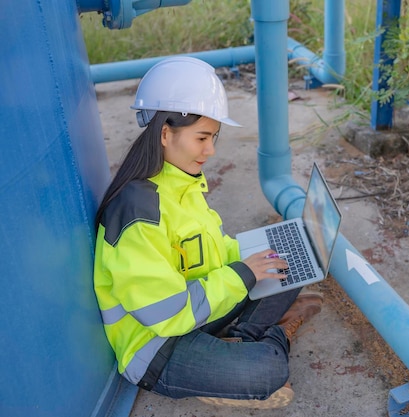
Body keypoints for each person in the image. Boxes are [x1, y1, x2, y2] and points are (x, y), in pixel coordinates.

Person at [93, 56, 323, 409]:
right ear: (165, 133)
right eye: (202, 137)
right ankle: (267, 339)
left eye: (213, 137)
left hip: (195, 314)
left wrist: (249, 260)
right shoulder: (138, 212)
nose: (211, 150)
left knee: (289, 264)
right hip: (157, 346)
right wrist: (243, 274)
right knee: (270, 370)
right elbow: (167, 315)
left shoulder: (181, 182)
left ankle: (241, 339)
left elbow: (208, 254)